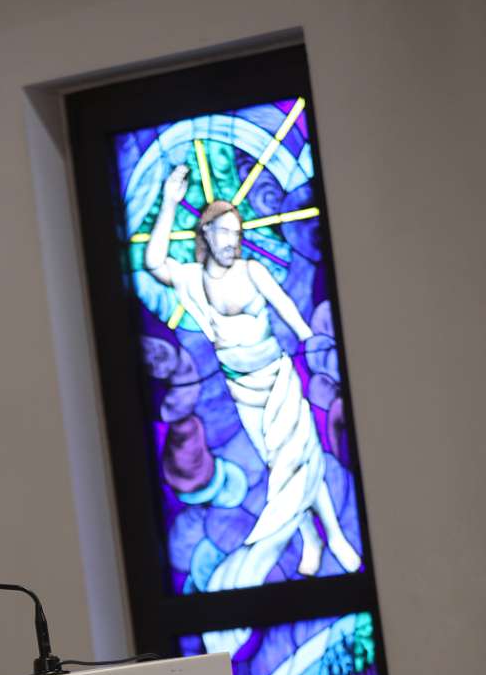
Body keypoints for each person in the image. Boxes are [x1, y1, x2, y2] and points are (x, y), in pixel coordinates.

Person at [146, 164, 361, 634]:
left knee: (303, 457)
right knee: (280, 468)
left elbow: (286, 307)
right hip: (243, 389)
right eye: (224, 232)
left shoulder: (252, 270)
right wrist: (168, 201)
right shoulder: (192, 280)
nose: (232, 241)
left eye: (237, 233)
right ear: (205, 234)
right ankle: (311, 541)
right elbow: (153, 261)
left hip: (277, 377)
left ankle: (335, 538)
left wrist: (311, 341)